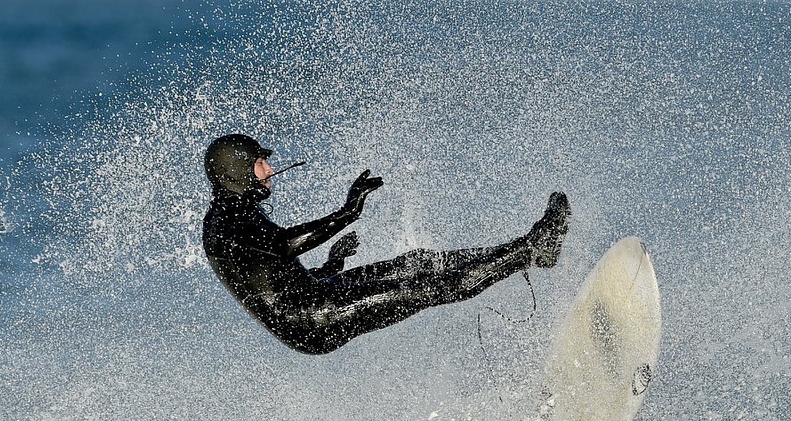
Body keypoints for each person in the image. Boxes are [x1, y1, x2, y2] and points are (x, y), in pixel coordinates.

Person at [201, 133, 569, 355]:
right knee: (428, 287)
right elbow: (283, 246)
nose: (268, 170)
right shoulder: (225, 221)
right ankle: (531, 250)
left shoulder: (234, 211)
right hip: (314, 320)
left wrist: (330, 265)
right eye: (260, 163)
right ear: (236, 169)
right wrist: (347, 212)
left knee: (416, 262)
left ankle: (522, 248)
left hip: (316, 293)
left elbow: (268, 277)